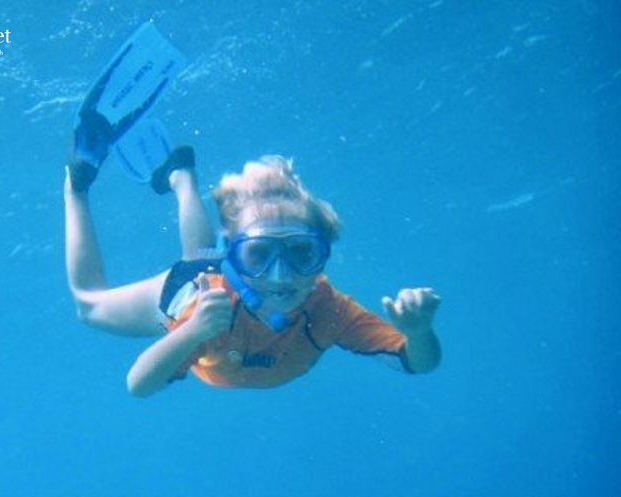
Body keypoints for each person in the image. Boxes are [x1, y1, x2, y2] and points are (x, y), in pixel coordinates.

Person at [65, 145, 441, 399]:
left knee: (199, 253)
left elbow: (416, 362)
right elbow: (138, 385)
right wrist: (194, 330)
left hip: (215, 271)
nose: (280, 276)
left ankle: (181, 178)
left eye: (300, 253)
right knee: (89, 306)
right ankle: (75, 188)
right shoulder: (208, 308)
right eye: (259, 255)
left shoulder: (328, 309)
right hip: (184, 293)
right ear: (235, 255)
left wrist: (419, 333)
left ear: (321, 258)